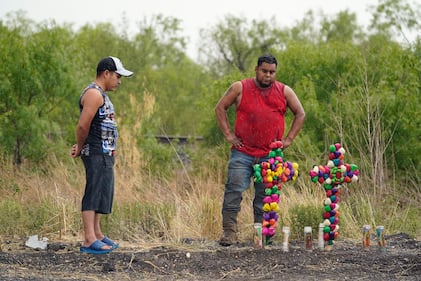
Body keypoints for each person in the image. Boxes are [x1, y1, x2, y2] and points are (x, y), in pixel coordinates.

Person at [215, 54, 305, 246]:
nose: (268, 75)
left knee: (265, 197)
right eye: (264, 71)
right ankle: (229, 233)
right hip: (243, 152)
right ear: (256, 69)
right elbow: (220, 108)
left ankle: (261, 236)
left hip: (270, 155)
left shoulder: (284, 91)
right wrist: (229, 135)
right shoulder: (240, 87)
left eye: (272, 72)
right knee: (234, 191)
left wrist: (288, 139)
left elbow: (300, 113)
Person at [70, 56, 133, 254]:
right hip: (96, 151)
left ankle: (97, 233)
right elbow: (83, 125)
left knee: (103, 191)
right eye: (117, 76)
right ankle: (89, 240)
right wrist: (81, 147)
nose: (119, 81)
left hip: (105, 152)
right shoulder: (93, 94)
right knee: (94, 190)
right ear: (106, 73)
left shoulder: (101, 95)